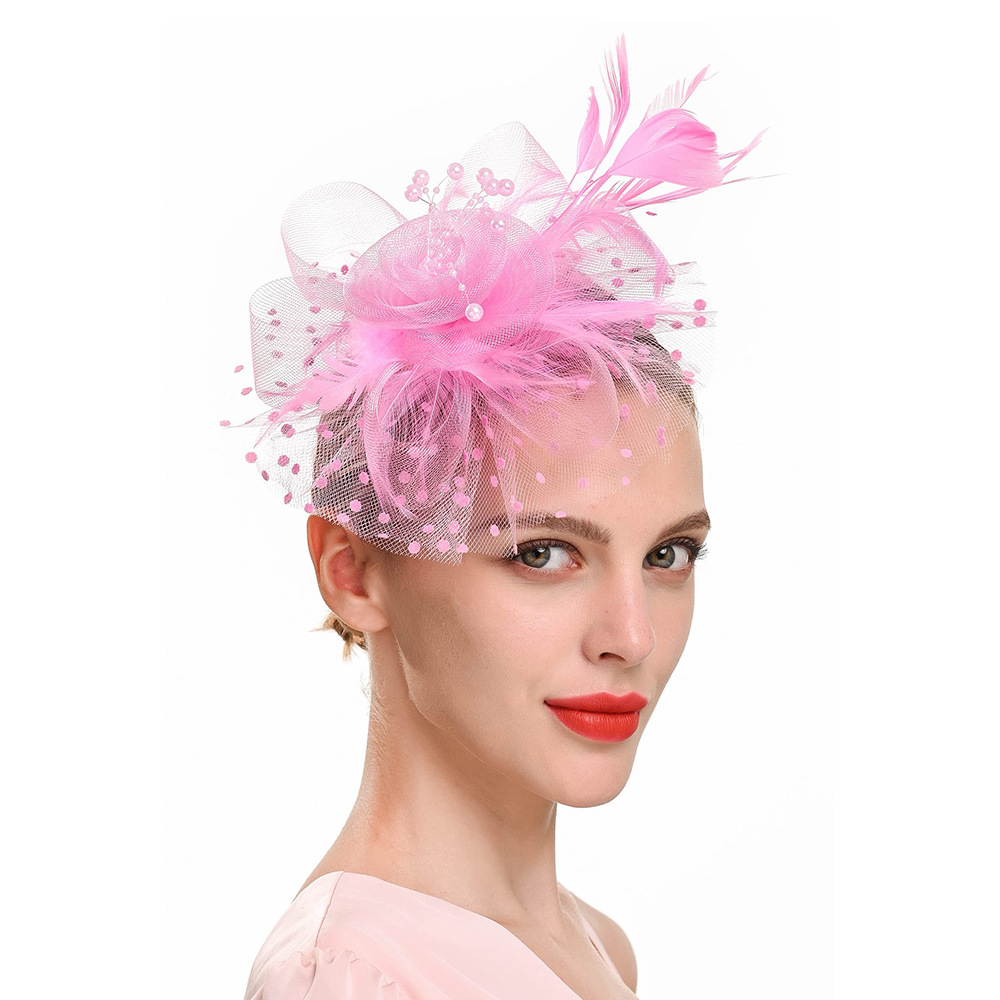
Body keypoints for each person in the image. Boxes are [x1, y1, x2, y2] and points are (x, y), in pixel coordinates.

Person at [228, 33, 765, 1000]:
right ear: (353, 571)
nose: (632, 636)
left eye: (669, 555)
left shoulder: (595, 946)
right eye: (544, 553)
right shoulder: (354, 980)